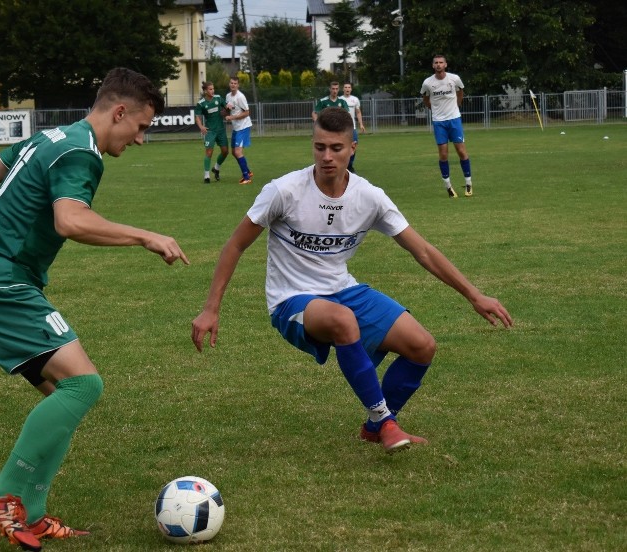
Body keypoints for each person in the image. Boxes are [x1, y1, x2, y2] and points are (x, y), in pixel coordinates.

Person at [0, 67, 188, 551]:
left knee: (60, 394)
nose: (140, 139)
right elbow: (70, 221)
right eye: (141, 127)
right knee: (84, 384)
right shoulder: (81, 152)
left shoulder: (53, 136)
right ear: (119, 112)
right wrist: (145, 236)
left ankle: (29, 512)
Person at [191, 107, 512, 455]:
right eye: (319, 147)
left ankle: (375, 428)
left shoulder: (369, 197)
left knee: (422, 346)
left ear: (353, 147)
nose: (327, 157)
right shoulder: (283, 191)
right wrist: (211, 309)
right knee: (342, 320)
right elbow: (235, 244)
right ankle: (386, 421)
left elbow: (423, 251)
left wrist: (474, 295)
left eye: (336, 148)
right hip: (291, 299)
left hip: (344, 290)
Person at [420, 54, 473, 198]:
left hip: (454, 119)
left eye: (441, 62)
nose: (438, 65)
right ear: (433, 65)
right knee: (443, 154)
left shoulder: (454, 79)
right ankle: (448, 187)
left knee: (461, 152)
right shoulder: (427, 83)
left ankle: (468, 183)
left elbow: (460, 92)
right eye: (436, 62)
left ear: (445, 64)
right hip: (439, 122)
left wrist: (457, 105)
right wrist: (434, 110)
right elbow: (425, 98)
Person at [195, 81, 229, 183]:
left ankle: (216, 168)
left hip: (221, 130)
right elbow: (197, 117)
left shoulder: (218, 98)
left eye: (213, 89)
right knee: (209, 152)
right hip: (210, 131)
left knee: (225, 152)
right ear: (205, 91)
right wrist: (201, 126)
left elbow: (226, 107)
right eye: (210, 89)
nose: (212, 91)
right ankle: (206, 176)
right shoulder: (201, 103)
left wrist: (228, 109)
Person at [224, 76, 254, 185]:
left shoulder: (240, 97)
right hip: (236, 128)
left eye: (235, 83)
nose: (233, 85)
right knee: (234, 152)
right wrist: (225, 113)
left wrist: (232, 117)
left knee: (238, 152)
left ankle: (246, 177)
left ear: (238, 85)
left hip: (243, 127)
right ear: (229, 84)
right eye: (231, 83)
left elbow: (247, 112)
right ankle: (248, 172)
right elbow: (229, 110)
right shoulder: (228, 96)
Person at [341, 82, 366, 173]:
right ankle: (342, 165)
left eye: (349, 87)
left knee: (354, 146)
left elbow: (358, 112)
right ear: (343, 89)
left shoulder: (355, 100)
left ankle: (349, 165)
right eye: (345, 87)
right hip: (341, 128)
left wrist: (361, 124)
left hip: (352, 127)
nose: (347, 89)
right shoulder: (339, 100)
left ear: (351, 89)